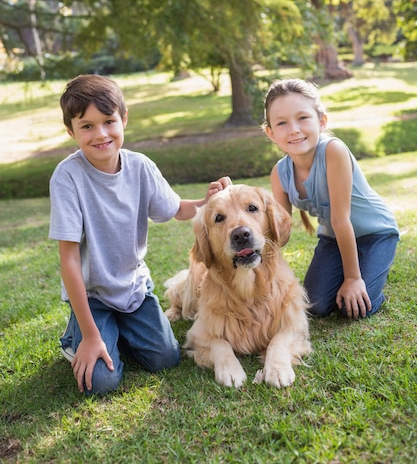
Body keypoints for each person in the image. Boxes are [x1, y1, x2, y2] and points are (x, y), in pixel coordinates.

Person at [49, 74, 231, 395]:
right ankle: (77, 336)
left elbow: (176, 209)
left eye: (108, 121)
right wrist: (92, 338)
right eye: (87, 126)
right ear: (71, 131)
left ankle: (118, 331)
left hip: (133, 290)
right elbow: (69, 261)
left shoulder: (140, 167)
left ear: (124, 119)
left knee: (166, 358)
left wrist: (208, 200)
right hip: (93, 296)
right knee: (101, 384)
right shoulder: (67, 177)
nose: (101, 134)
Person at [262, 78, 399, 320]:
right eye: (282, 123)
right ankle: (353, 275)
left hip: (375, 233)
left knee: (353, 308)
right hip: (333, 239)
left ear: (321, 121)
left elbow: (341, 219)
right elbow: (279, 234)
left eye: (303, 118)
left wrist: (353, 279)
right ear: (270, 133)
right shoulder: (279, 173)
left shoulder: (333, 151)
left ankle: (369, 276)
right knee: (315, 306)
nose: (294, 129)